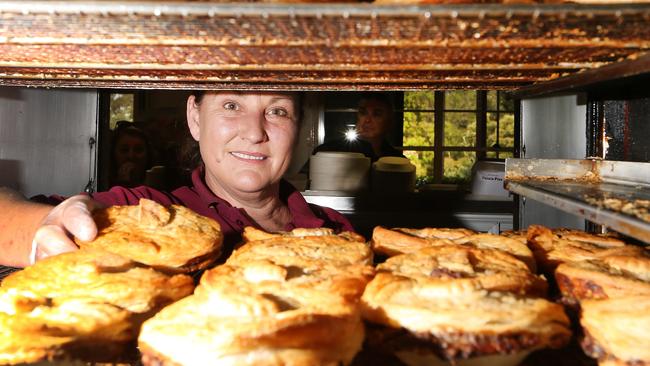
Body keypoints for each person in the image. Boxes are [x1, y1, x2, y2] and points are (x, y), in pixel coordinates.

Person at [0, 91, 353, 268]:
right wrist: (43, 228)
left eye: (277, 111)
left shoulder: (335, 230)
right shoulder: (149, 216)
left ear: (299, 129)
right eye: (231, 105)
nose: (254, 131)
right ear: (195, 118)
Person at [313, 92, 405, 161]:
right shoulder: (328, 151)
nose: (367, 120)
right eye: (363, 113)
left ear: (389, 121)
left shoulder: (397, 160)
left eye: (377, 114)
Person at [110, 122, 153, 188]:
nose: (131, 156)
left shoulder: (157, 184)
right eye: (124, 150)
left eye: (138, 150)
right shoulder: (102, 185)